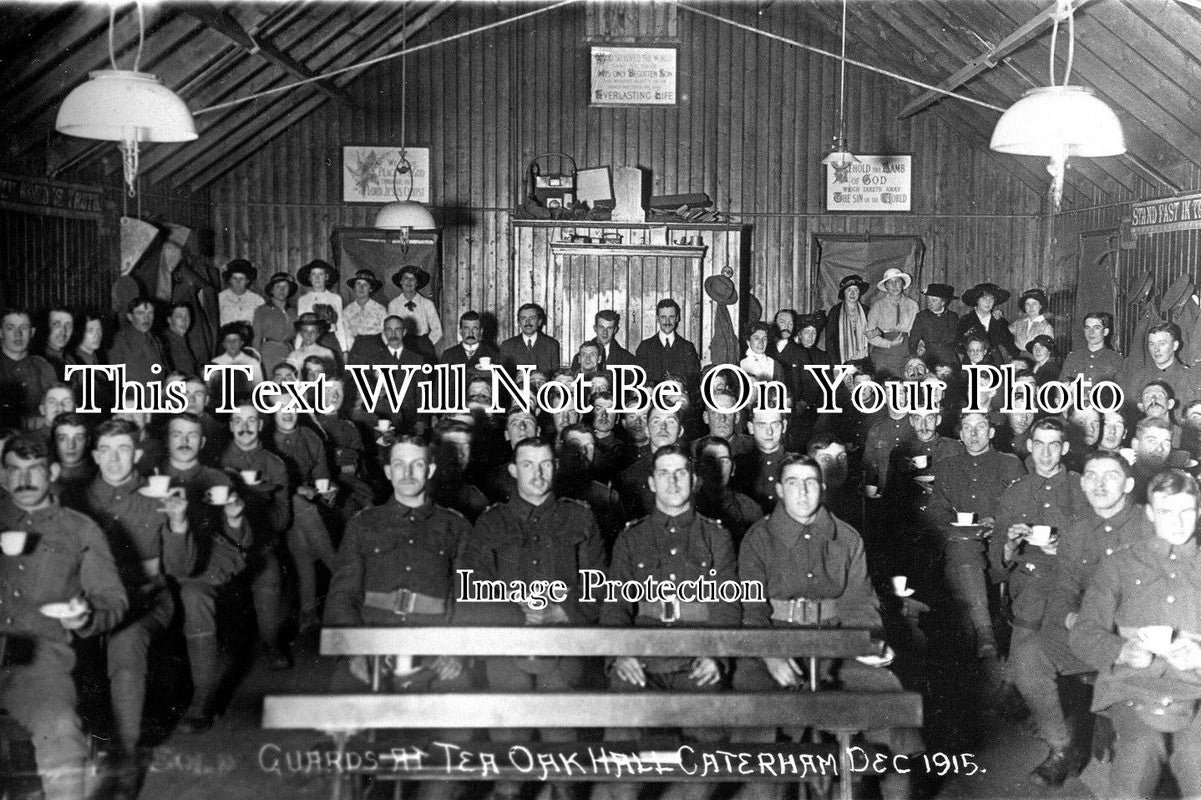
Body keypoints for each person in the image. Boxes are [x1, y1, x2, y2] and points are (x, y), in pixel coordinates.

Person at [735, 454, 922, 800]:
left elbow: (859, 605)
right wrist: (770, 655)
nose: (802, 492)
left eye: (810, 483)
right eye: (792, 483)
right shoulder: (757, 539)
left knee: (892, 707)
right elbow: (752, 612)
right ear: (778, 490)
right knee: (758, 729)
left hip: (838, 643)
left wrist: (870, 643)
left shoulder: (847, 539)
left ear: (822, 488)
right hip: (775, 643)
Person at [458, 438, 606, 800]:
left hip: (563, 642)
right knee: (508, 756)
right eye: (527, 465)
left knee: (563, 759)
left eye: (545, 465)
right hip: (508, 645)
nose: (537, 474)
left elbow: (599, 585)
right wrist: (514, 611)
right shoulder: (492, 522)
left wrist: (561, 611)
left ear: (556, 468)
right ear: (512, 470)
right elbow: (470, 588)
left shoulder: (580, 517)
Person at [326, 436, 472, 800]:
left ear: (431, 470)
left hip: (435, 656)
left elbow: (467, 598)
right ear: (388, 472)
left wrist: (455, 653)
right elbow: (342, 597)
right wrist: (356, 651)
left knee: (461, 727)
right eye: (400, 465)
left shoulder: (455, 526)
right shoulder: (364, 524)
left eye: (417, 464)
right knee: (340, 724)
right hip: (373, 653)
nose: (408, 473)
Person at [596, 444, 737, 800]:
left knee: (703, 770)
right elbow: (615, 606)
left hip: (697, 657)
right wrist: (619, 656)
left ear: (695, 480)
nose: (673, 482)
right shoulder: (631, 537)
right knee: (623, 767)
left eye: (680, 473)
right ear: (651, 482)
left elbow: (727, 606)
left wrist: (716, 657)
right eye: (663, 473)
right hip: (640, 661)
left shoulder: (716, 537)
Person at [0, 433, 127, 800]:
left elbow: (112, 599)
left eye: (35, 470)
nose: (24, 480)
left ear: (53, 472)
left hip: (41, 663)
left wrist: (86, 617)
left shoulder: (80, 529)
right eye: (14, 470)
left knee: (59, 728)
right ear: (4, 476)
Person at [1011, 451, 1149, 787]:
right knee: (1028, 656)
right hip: (1089, 631)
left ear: (1129, 483)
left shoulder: (1149, 525)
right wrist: (1071, 618)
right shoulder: (1076, 528)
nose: (1100, 484)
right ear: (1083, 483)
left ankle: (1112, 721)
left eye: (1111, 475)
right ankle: (1061, 747)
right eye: (1092, 475)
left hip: (1135, 639)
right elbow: (1064, 586)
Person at [1070, 469, 1201, 799]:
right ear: (1149, 513)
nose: (1177, 522)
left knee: (1196, 766)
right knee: (1133, 772)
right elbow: (1084, 633)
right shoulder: (1121, 564)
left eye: (1187, 510)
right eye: (1166, 511)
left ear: (1199, 511)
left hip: (1198, 691)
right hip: (1135, 688)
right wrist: (1122, 650)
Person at [84, 419, 196, 791]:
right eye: (107, 450)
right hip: (93, 599)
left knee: (125, 641)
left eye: (124, 449)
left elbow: (181, 568)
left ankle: (127, 755)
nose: (115, 459)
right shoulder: (79, 500)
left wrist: (179, 524)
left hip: (149, 598)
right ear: (95, 455)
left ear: (137, 453)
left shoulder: (157, 496)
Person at [163, 413, 251, 732]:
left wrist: (235, 518)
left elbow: (239, 544)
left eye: (191, 436)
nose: (184, 441)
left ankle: (203, 698)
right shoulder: (152, 479)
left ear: (201, 442)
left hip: (207, 567)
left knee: (193, 595)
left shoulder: (218, 479)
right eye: (177, 434)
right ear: (167, 439)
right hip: (162, 564)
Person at [923, 411, 1025, 671]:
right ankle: (985, 635)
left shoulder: (1009, 463)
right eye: (967, 427)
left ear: (991, 432)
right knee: (962, 547)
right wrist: (953, 529)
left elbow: (1024, 506)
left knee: (959, 562)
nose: (974, 433)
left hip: (1001, 546)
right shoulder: (947, 466)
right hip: (961, 545)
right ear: (960, 434)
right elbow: (936, 510)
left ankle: (975, 641)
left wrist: (997, 522)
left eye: (980, 427)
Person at [219, 403, 292, 669]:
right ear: (230, 426)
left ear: (261, 425)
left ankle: (270, 643)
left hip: (261, 543)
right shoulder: (219, 461)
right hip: (225, 545)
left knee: (269, 576)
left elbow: (283, 519)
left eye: (251, 420)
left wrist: (261, 502)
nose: (245, 427)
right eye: (237, 421)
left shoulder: (275, 464)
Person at [692, 435, 764, 544]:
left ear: (733, 468)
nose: (717, 468)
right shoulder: (688, 507)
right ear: (697, 468)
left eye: (724, 461)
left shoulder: (749, 510)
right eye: (709, 461)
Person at [1, 308, 61, 421]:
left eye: (24, 327)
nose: (18, 334)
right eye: (10, 328)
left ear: (32, 332)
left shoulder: (44, 368)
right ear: (1, 333)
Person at [1120, 322, 1196, 409]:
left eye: (1162, 343)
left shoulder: (1188, 378)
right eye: (1152, 344)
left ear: (1175, 345)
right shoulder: (1139, 377)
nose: (1156, 349)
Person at [634, 298, 702, 392]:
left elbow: (694, 380)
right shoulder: (645, 347)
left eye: (671, 317)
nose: (667, 321)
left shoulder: (687, 347)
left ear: (677, 318)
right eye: (663, 317)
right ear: (657, 318)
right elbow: (638, 379)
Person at [867, 268, 919, 379]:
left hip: (906, 355)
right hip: (883, 356)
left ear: (903, 284)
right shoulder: (878, 306)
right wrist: (889, 343)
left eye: (897, 281)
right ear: (886, 286)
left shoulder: (913, 305)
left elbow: (917, 332)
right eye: (890, 283)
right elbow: (870, 335)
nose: (894, 285)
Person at [109, 297, 170, 387]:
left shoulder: (155, 339)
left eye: (150, 313)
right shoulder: (121, 340)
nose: (146, 318)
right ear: (130, 317)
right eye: (140, 313)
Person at [387, 265, 442, 361]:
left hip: (423, 346)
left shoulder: (427, 304)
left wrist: (426, 344)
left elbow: (437, 330)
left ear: (417, 283)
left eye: (413, 279)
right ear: (401, 281)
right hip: (401, 345)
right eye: (406, 278)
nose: (409, 282)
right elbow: (390, 328)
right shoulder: (393, 304)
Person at [296, 259, 350, 354]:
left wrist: (344, 350)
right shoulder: (303, 300)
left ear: (326, 277)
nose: (317, 278)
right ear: (309, 277)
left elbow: (340, 325)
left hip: (330, 341)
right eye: (314, 274)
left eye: (321, 274)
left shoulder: (336, 298)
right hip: (310, 341)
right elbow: (301, 327)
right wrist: (296, 350)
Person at [253, 271, 299, 377]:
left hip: (289, 352)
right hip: (269, 353)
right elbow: (256, 336)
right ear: (271, 290)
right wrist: (256, 359)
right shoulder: (262, 310)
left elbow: (297, 335)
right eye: (278, 286)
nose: (282, 290)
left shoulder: (293, 311)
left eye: (285, 286)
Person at [956, 283, 1016, 363]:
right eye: (984, 299)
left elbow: (1010, 345)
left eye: (991, 299)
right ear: (977, 300)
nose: (988, 302)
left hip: (996, 363)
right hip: (972, 363)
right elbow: (959, 344)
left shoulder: (1001, 321)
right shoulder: (966, 320)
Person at [499, 302, 561, 378]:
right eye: (523, 318)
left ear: (539, 321)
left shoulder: (551, 344)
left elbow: (555, 375)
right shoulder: (507, 345)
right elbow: (502, 376)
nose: (527, 322)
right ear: (519, 322)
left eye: (532, 318)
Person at [1060, 311, 1122, 386]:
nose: (1091, 332)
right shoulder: (1072, 359)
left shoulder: (1115, 359)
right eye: (1087, 327)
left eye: (1096, 328)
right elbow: (1061, 389)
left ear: (1105, 332)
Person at [823, 274, 870, 364]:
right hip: (841, 360)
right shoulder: (835, 311)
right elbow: (830, 340)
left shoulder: (866, 310)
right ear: (844, 292)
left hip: (864, 359)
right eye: (849, 290)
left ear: (859, 293)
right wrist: (835, 364)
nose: (852, 293)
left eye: (856, 290)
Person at [909, 283, 959, 368]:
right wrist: (918, 349)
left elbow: (956, 340)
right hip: (928, 360)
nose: (930, 303)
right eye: (928, 299)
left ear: (943, 302)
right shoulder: (922, 316)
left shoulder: (952, 317)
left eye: (934, 300)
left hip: (949, 361)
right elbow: (913, 340)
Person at [571, 309, 636, 372]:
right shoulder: (580, 358)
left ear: (615, 330)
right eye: (601, 327)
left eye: (609, 328)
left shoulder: (627, 358)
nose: (605, 332)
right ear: (595, 328)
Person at [342, 269, 387, 346]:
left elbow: (385, 334)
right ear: (354, 287)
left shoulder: (380, 310)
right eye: (358, 284)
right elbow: (345, 335)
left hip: (375, 350)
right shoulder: (347, 311)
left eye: (365, 284)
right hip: (353, 350)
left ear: (371, 288)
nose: (361, 287)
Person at [217, 259, 264, 326]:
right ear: (229, 280)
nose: (238, 282)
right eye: (234, 278)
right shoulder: (220, 298)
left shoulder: (257, 300)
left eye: (241, 279)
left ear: (247, 281)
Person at [164, 302, 200, 378]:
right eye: (179, 316)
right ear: (169, 320)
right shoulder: (165, 343)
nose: (184, 320)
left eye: (187, 316)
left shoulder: (184, 340)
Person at [41, 306, 74, 377]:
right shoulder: (36, 364)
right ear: (46, 327)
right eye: (57, 324)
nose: (63, 331)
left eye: (68, 325)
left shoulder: (70, 359)